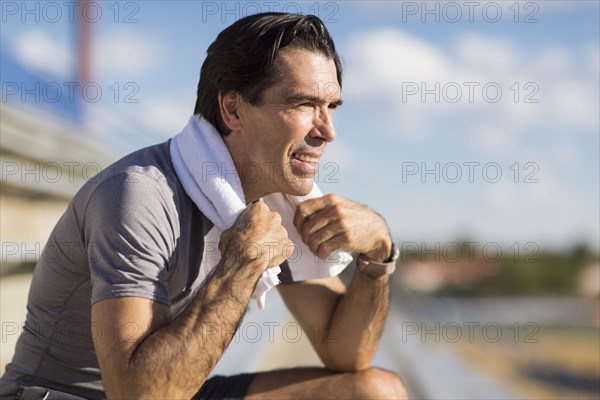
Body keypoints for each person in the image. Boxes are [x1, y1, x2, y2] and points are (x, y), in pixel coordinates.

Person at [0, 13, 407, 400]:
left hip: (173, 387)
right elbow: (138, 395)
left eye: (331, 107)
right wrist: (242, 265)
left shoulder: (278, 200)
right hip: (64, 394)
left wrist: (378, 257)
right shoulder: (138, 194)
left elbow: (343, 352)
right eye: (303, 104)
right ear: (232, 109)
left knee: (376, 392)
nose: (327, 131)